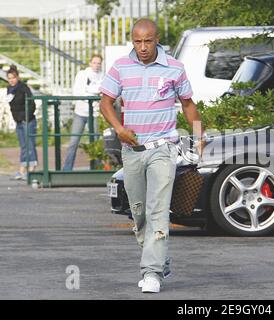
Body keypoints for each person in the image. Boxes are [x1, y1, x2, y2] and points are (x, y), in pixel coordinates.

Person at [99, 19, 205, 294]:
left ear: (157, 39)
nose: (143, 47)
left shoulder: (175, 68)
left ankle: (152, 273)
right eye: (138, 41)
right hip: (132, 152)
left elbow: (188, 104)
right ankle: (161, 260)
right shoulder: (121, 67)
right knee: (139, 214)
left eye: (148, 41)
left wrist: (198, 136)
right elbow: (105, 102)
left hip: (163, 149)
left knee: (158, 211)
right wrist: (119, 129)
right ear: (132, 41)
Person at [62, 54, 104, 171]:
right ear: (90, 63)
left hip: (95, 113)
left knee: (96, 142)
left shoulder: (102, 76)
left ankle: (96, 168)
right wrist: (93, 93)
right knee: (73, 142)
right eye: (94, 62)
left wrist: (89, 91)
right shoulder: (82, 74)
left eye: (99, 63)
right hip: (80, 113)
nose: (96, 65)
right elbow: (77, 92)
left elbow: (102, 91)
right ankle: (67, 169)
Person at [6, 65, 38, 180]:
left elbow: (31, 103)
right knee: (23, 146)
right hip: (19, 122)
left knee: (30, 145)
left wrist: (26, 117)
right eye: (9, 78)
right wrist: (18, 119)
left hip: (28, 121)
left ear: (17, 78)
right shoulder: (9, 89)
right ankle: (22, 170)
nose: (11, 80)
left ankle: (32, 169)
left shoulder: (23, 88)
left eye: (13, 78)